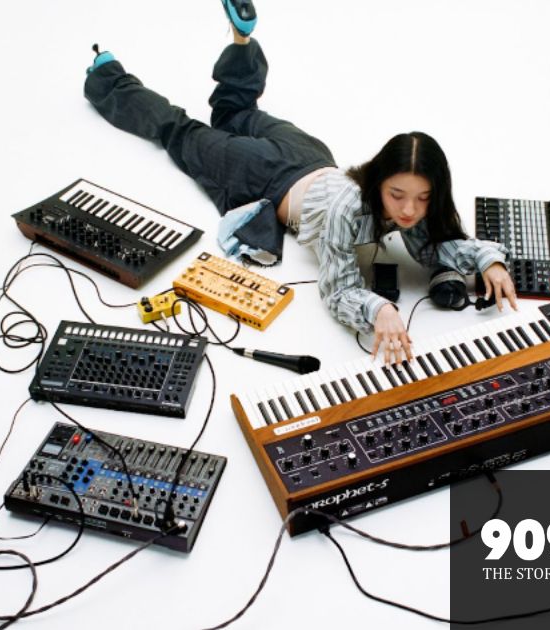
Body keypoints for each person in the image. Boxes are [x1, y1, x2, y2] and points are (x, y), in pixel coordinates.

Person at [84, 0, 518, 365]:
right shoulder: (350, 209)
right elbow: (337, 290)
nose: (409, 210)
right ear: (379, 181)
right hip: (264, 174)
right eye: (398, 195)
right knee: (179, 131)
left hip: (311, 154)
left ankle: (242, 41)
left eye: (423, 198)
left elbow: (435, 246)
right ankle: (106, 74)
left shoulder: (408, 208)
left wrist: (488, 261)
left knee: (235, 114)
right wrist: (379, 309)